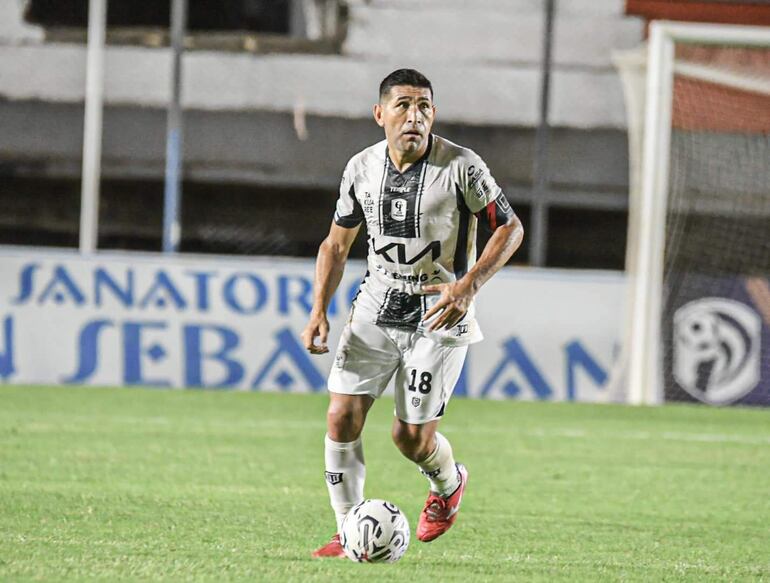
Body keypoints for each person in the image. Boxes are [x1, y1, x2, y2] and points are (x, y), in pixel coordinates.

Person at [301, 68, 524, 558]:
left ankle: (448, 485)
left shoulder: (463, 167)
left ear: (433, 115)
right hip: (377, 305)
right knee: (340, 417)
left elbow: (510, 229)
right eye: (402, 105)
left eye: (424, 106)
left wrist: (468, 286)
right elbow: (336, 245)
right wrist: (319, 308)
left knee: (411, 439)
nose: (414, 116)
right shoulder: (360, 168)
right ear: (380, 114)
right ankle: (347, 529)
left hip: (439, 313)